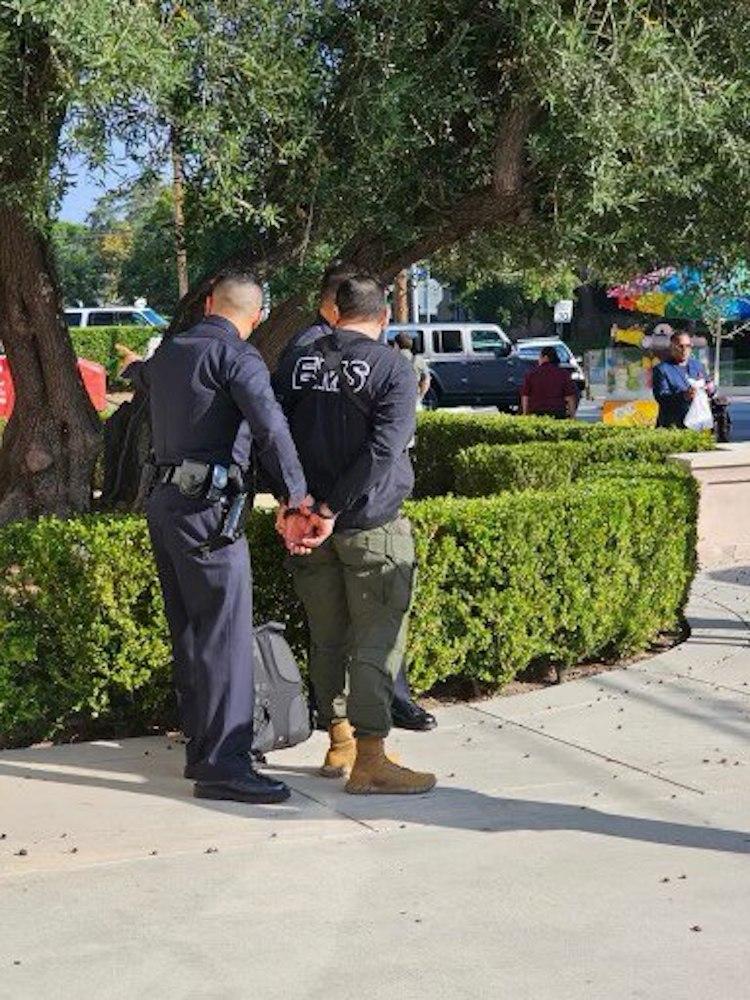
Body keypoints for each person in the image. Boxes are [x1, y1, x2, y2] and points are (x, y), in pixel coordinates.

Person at [119, 270, 332, 805]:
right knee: (226, 635)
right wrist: (296, 498)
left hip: (165, 504)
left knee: (192, 631)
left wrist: (135, 368)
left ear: (209, 303)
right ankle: (224, 763)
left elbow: (141, 378)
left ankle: (202, 746)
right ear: (256, 317)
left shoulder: (169, 353)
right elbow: (271, 427)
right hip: (209, 512)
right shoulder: (239, 358)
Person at [274, 274, 436, 795]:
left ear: (334, 312)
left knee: (327, 638)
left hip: (308, 526)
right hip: (370, 525)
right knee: (376, 640)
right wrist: (329, 508)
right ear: (384, 317)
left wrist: (294, 504)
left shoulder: (298, 359)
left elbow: (272, 432)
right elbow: (383, 451)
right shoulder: (393, 367)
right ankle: (371, 759)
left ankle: (338, 741)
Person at [652, 327, 714, 428]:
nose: (685, 350)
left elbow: (709, 386)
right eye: (680, 346)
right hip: (673, 426)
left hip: (698, 423)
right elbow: (661, 397)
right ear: (672, 347)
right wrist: (684, 396)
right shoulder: (662, 369)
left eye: (688, 346)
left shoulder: (697, 365)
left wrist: (710, 388)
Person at [520, 345, 578, 419]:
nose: (538, 360)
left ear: (546, 358)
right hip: (557, 412)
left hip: (536, 412)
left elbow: (525, 396)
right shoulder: (563, 374)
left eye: (540, 357)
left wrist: (525, 414)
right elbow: (570, 396)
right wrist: (572, 416)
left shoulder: (531, 374)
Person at [394, 331, 431, 408]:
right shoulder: (419, 359)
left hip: (396, 398)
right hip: (414, 396)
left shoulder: (392, 359)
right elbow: (426, 380)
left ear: (396, 345)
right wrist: (421, 396)